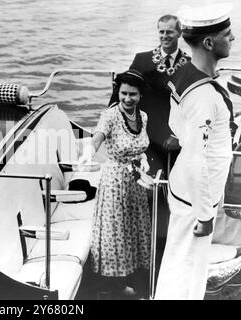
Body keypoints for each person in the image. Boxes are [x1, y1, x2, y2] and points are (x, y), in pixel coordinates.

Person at [155, 3, 236, 300]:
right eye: (228, 35)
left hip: (188, 192)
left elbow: (176, 126)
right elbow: (194, 158)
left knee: (180, 262)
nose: (233, 39)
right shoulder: (204, 95)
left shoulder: (186, 74)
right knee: (187, 269)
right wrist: (205, 214)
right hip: (196, 199)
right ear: (208, 42)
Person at [79, 70, 151, 298]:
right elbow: (99, 135)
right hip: (115, 181)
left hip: (136, 180)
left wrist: (144, 160)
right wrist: (89, 151)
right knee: (116, 232)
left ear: (140, 96)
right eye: (123, 94)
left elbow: (140, 147)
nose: (128, 99)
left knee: (132, 230)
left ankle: (131, 279)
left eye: (133, 95)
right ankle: (113, 287)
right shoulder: (110, 115)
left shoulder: (144, 117)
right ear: (117, 93)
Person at [110, 15, 191, 175]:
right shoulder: (142, 60)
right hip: (147, 130)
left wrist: (179, 135)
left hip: (175, 133)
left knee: (175, 179)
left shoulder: (190, 64)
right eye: (161, 32)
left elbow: (192, 104)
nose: (164, 36)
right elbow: (123, 87)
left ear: (179, 33)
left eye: (170, 32)